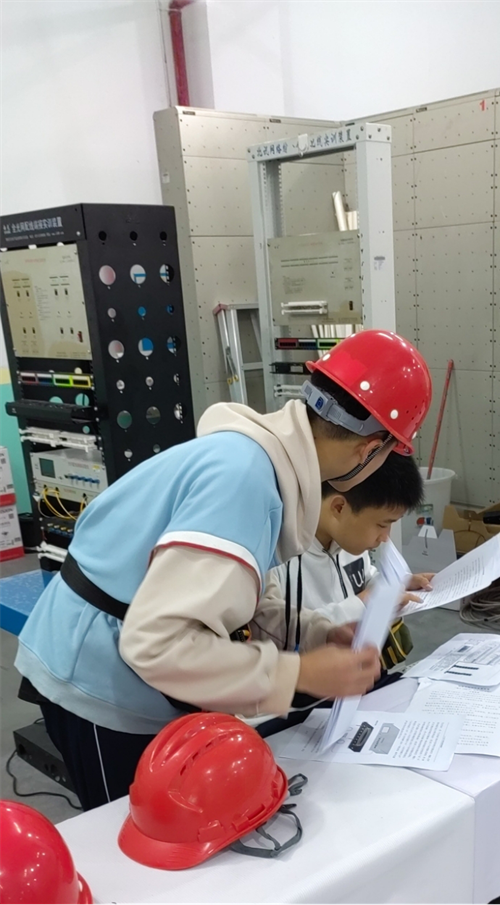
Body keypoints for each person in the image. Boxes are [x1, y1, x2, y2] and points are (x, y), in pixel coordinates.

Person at [14, 330, 432, 810]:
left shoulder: (260, 462)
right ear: (370, 449)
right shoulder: (244, 481)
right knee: (141, 832)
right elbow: (157, 645)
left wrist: (314, 632)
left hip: (121, 658)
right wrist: (298, 673)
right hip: (96, 679)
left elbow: (240, 596)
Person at [266, 451, 432, 663]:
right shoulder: (278, 556)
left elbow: (364, 577)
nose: (385, 537)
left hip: (355, 670)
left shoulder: (347, 541)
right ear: (339, 508)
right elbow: (277, 634)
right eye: (382, 524)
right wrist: (363, 603)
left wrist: (395, 584)